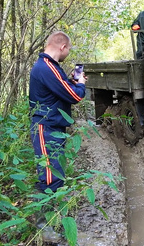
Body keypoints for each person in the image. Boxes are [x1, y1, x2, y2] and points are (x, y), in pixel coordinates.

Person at [29, 31, 87, 193]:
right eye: (68, 49)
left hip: (52, 126)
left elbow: (60, 90)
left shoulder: (49, 66)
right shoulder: (47, 67)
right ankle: (46, 216)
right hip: (46, 127)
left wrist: (72, 82)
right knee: (50, 176)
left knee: (54, 171)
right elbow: (75, 95)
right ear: (62, 47)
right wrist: (80, 83)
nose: (68, 53)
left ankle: (51, 213)